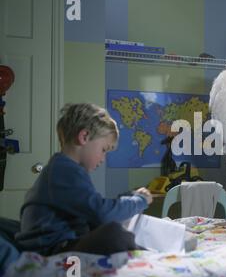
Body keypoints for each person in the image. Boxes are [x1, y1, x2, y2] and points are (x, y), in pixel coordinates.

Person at [15, 103, 153, 256]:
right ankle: (151, 256)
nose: (103, 159)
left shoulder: (61, 168)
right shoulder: (64, 171)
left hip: (57, 244)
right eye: (104, 150)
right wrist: (140, 200)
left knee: (113, 227)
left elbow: (93, 208)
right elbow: (102, 214)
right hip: (54, 249)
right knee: (114, 233)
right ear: (84, 137)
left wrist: (129, 196)